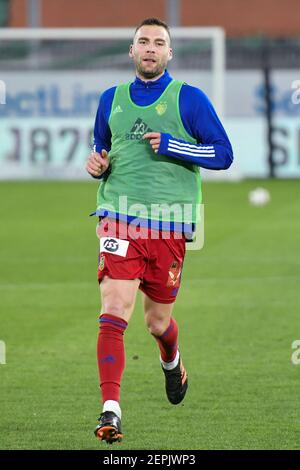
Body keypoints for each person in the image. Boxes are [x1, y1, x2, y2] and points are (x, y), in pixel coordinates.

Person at [86, 17, 233, 444]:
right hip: (118, 218)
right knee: (114, 310)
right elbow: (102, 148)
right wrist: (97, 164)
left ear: (169, 54)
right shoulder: (109, 99)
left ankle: (172, 361)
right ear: (131, 52)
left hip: (169, 226)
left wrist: (173, 145)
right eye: (143, 41)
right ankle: (111, 410)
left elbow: (224, 154)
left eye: (159, 42)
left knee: (156, 322)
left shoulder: (189, 99)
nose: (150, 48)